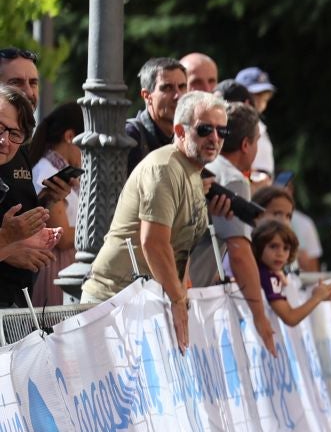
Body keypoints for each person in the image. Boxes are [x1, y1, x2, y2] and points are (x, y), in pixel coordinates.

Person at [79, 90, 232, 351]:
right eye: (205, 129)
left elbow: (179, 248)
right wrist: (178, 300)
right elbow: (154, 243)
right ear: (180, 131)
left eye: (222, 131)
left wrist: (183, 298)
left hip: (144, 305)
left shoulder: (193, 172)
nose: (215, 138)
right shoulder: (164, 169)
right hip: (111, 305)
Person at [189, 101, 278, 352]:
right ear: (246, 145)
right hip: (193, 296)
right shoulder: (234, 179)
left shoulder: (201, 165)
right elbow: (239, 251)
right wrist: (259, 316)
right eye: (257, 141)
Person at [0, 85, 70, 309]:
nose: (5, 141)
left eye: (14, 134)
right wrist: (8, 242)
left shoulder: (20, 157)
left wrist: (24, 238)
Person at [26, 100, 83, 303]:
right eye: (83, 143)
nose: (85, 152)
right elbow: (63, 236)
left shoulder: (57, 170)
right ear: (70, 136)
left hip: (65, 266)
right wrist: (97, 230)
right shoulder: (47, 171)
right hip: (55, 269)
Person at [252, 217, 331, 327]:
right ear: (259, 247)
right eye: (273, 246)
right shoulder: (267, 276)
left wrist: (316, 296)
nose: (280, 253)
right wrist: (317, 298)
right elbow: (290, 318)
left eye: (286, 248)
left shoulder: (271, 273)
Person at [125, 56, 188, 163]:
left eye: (182, 87)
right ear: (146, 96)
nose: (178, 95)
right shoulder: (130, 137)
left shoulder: (187, 136)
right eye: (168, 88)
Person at [233, 66, 278, 183]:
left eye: (263, 98)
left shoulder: (261, 127)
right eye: (255, 96)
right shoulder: (233, 127)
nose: (259, 103)